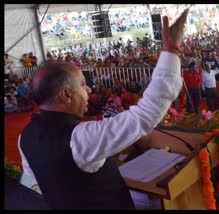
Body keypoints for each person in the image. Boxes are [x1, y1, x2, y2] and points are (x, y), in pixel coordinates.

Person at [17, 9, 189, 209]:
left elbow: (36, 180)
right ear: (65, 95)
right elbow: (146, 114)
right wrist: (171, 49)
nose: (88, 89)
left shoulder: (25, 136)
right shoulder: (81, 139)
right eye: (82, 85)